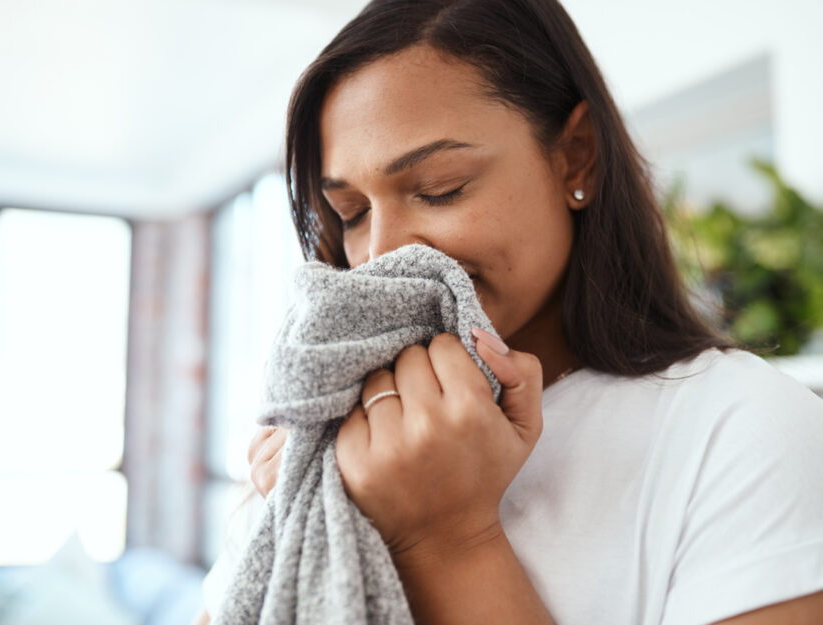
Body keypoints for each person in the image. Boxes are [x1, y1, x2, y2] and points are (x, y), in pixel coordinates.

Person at [193, 1, 823, 623]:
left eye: (440, 188)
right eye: (351, 212)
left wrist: (449, 540)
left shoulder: (742, 429)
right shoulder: (319, 452)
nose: (382, 256)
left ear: (577, 156)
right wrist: (309, 516)